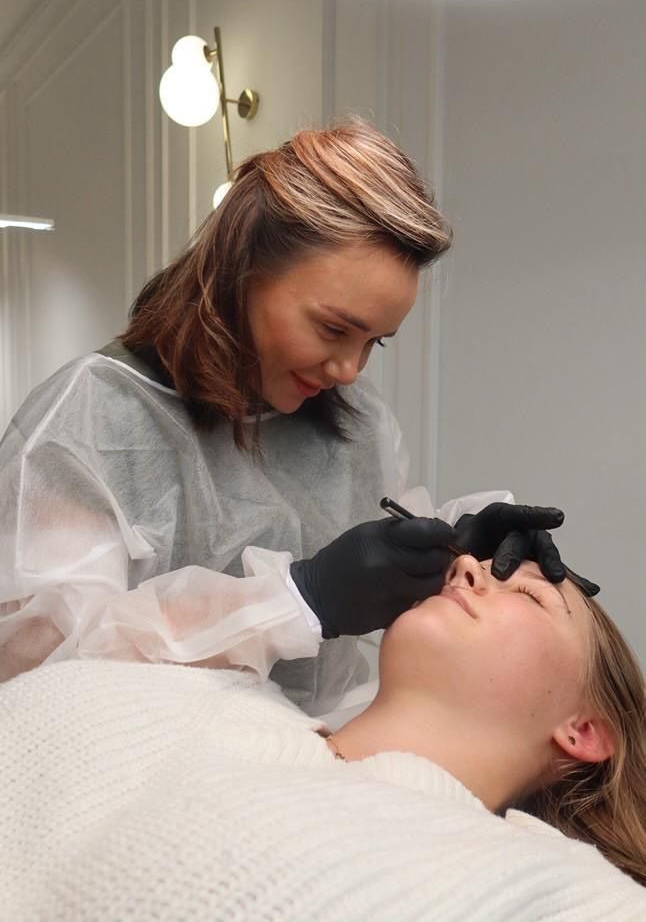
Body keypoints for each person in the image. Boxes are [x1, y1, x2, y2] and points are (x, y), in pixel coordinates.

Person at [0, 118, 572, 712]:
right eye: (333, 328)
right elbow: (40, 664)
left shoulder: (353, 419)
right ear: (240, 272)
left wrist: (461, 541)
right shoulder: (91, 421)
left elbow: (372, 554)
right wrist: (298, 600)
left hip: (318, 763)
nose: (350, 370)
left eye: (375, 341)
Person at [0, 555, 643, 921]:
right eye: (477, 561)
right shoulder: (188, 696)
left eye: (528, 596)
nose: (469, 566)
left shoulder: (560, 888)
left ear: (583, 731)